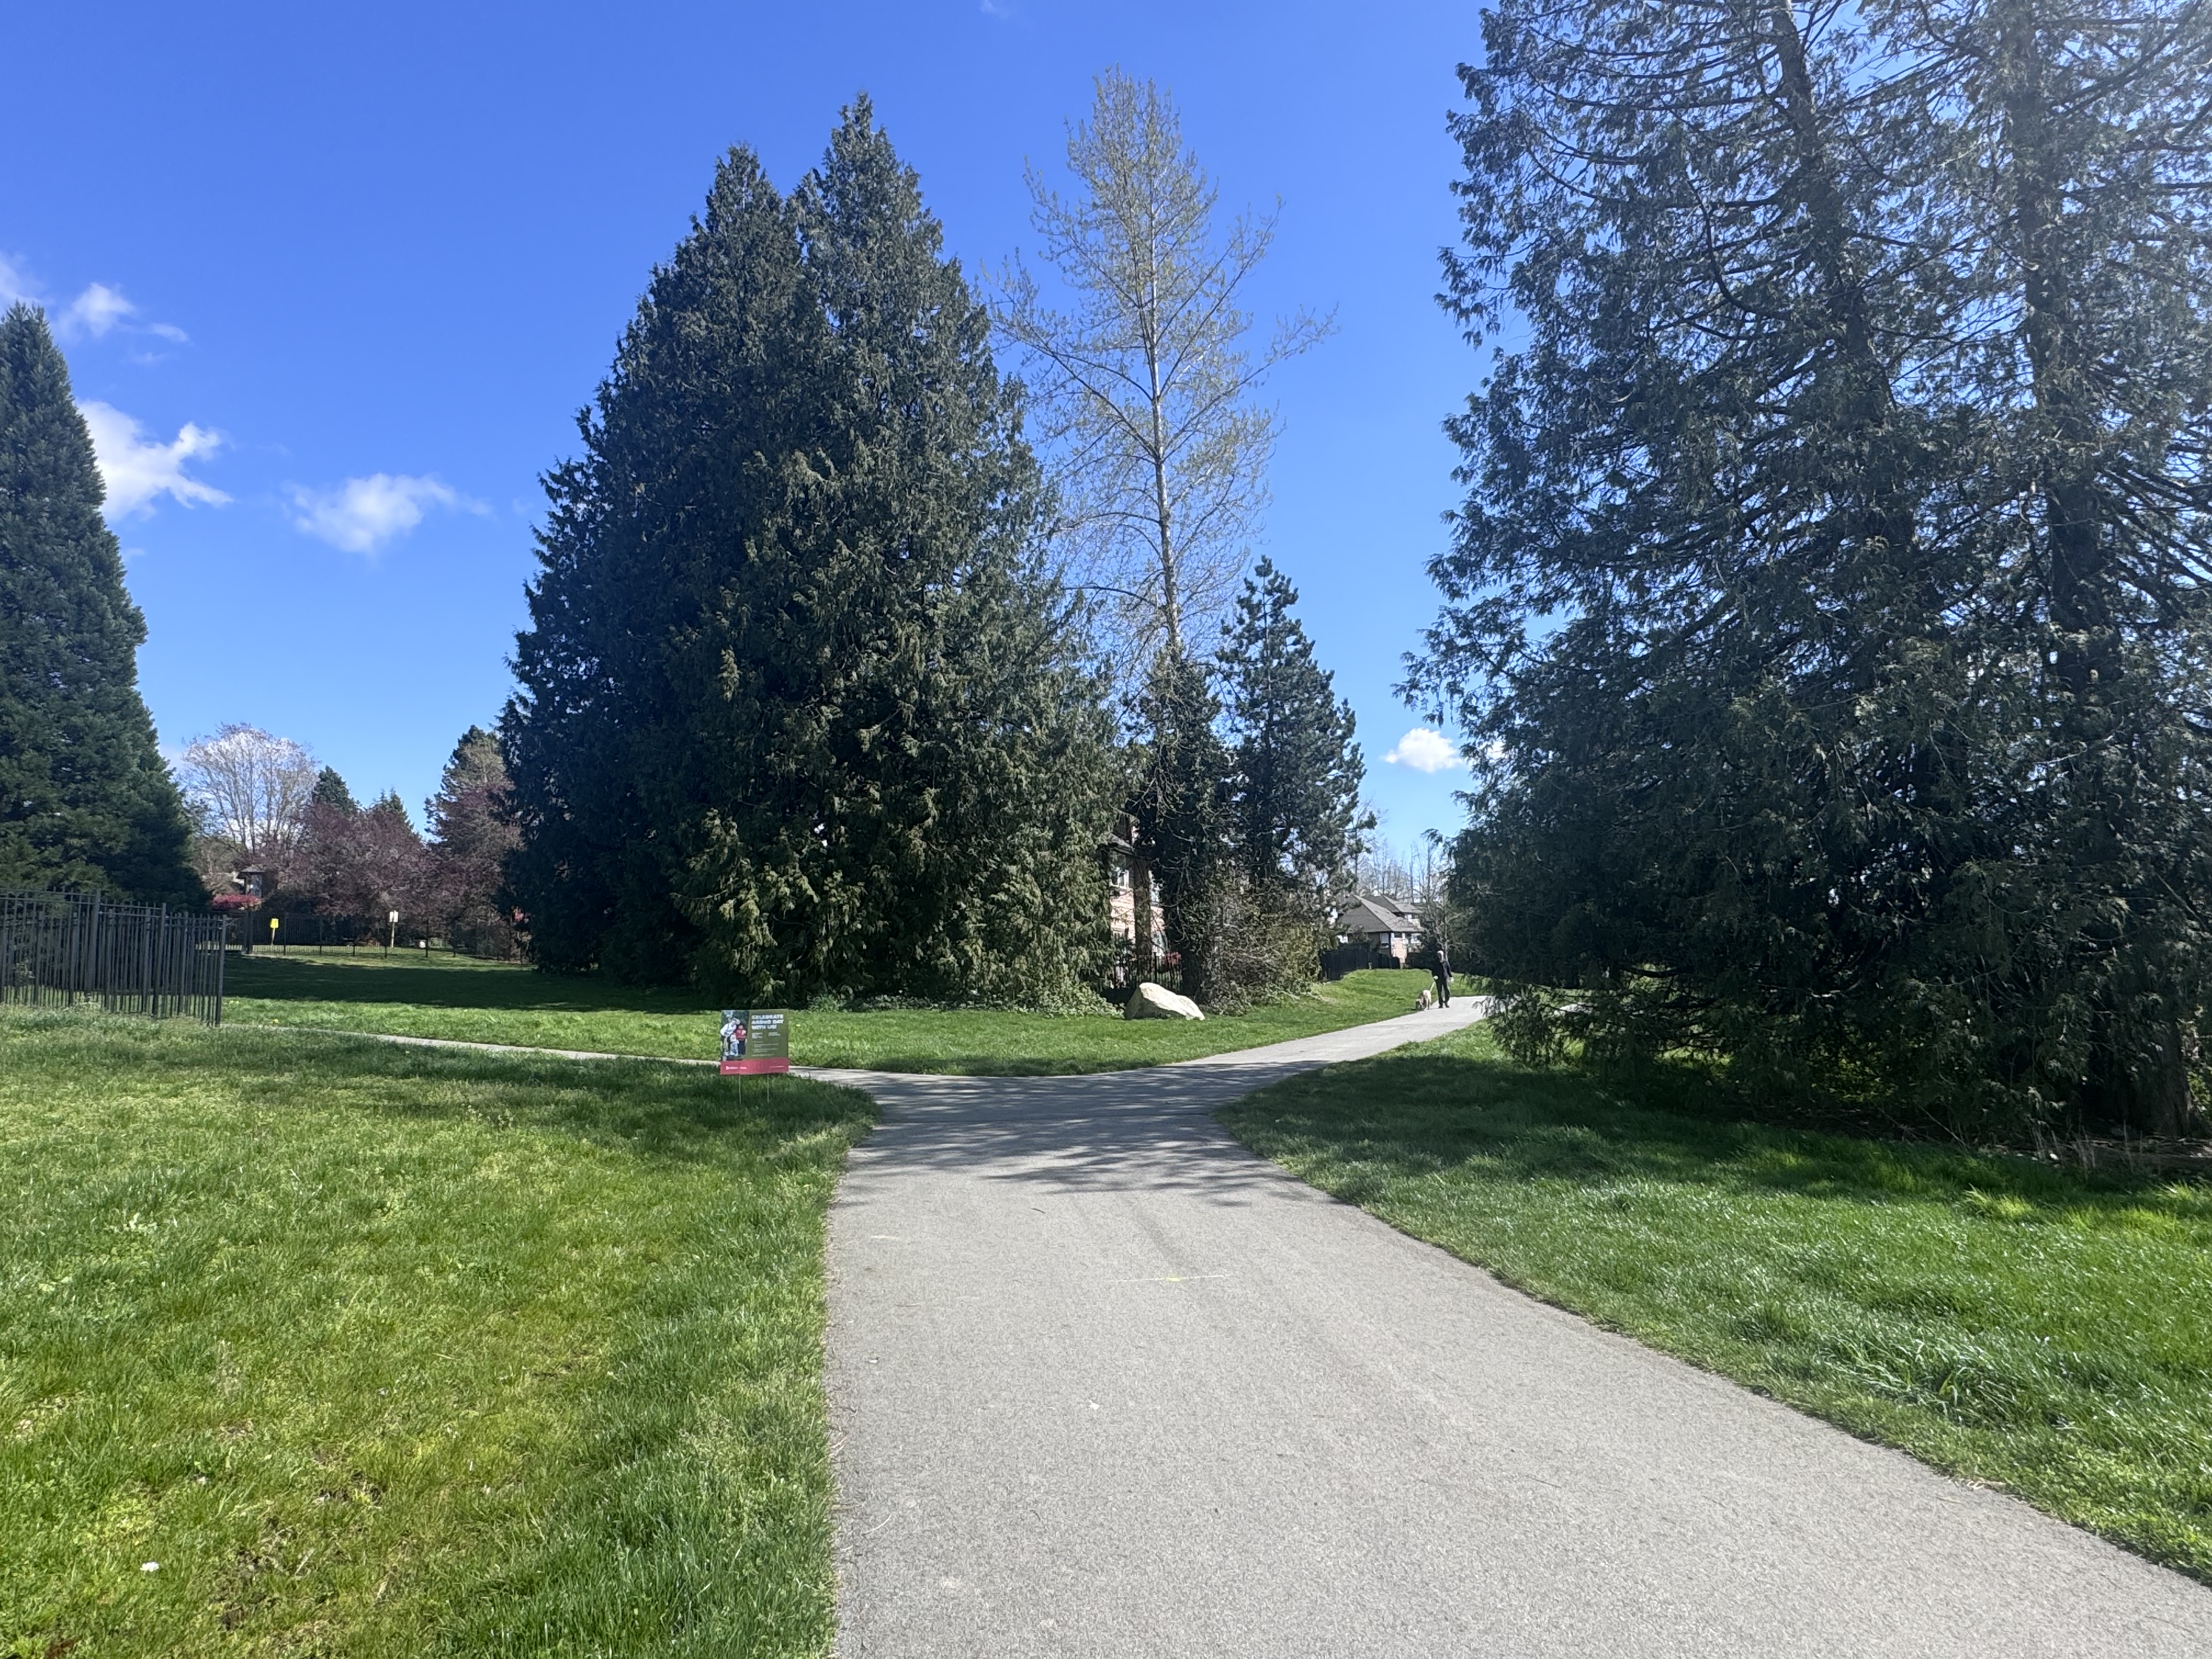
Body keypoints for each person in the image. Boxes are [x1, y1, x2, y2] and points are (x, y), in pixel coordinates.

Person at [1431, 944, 1452, 1008]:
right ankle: (1441, 1004)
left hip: (1445, 978)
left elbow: (1449, 970)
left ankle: (1446, 1002)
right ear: (1438, 956)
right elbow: (1433, 971)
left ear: (1443, 955)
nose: (1440, 956)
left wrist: (1451, 977)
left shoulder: (1446, 962)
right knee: (1440, 992)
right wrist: (1434, 976)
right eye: (1439, 955)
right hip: (1438, 979)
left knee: (1447, 991)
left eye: (1441, 955)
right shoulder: (1436, 963)